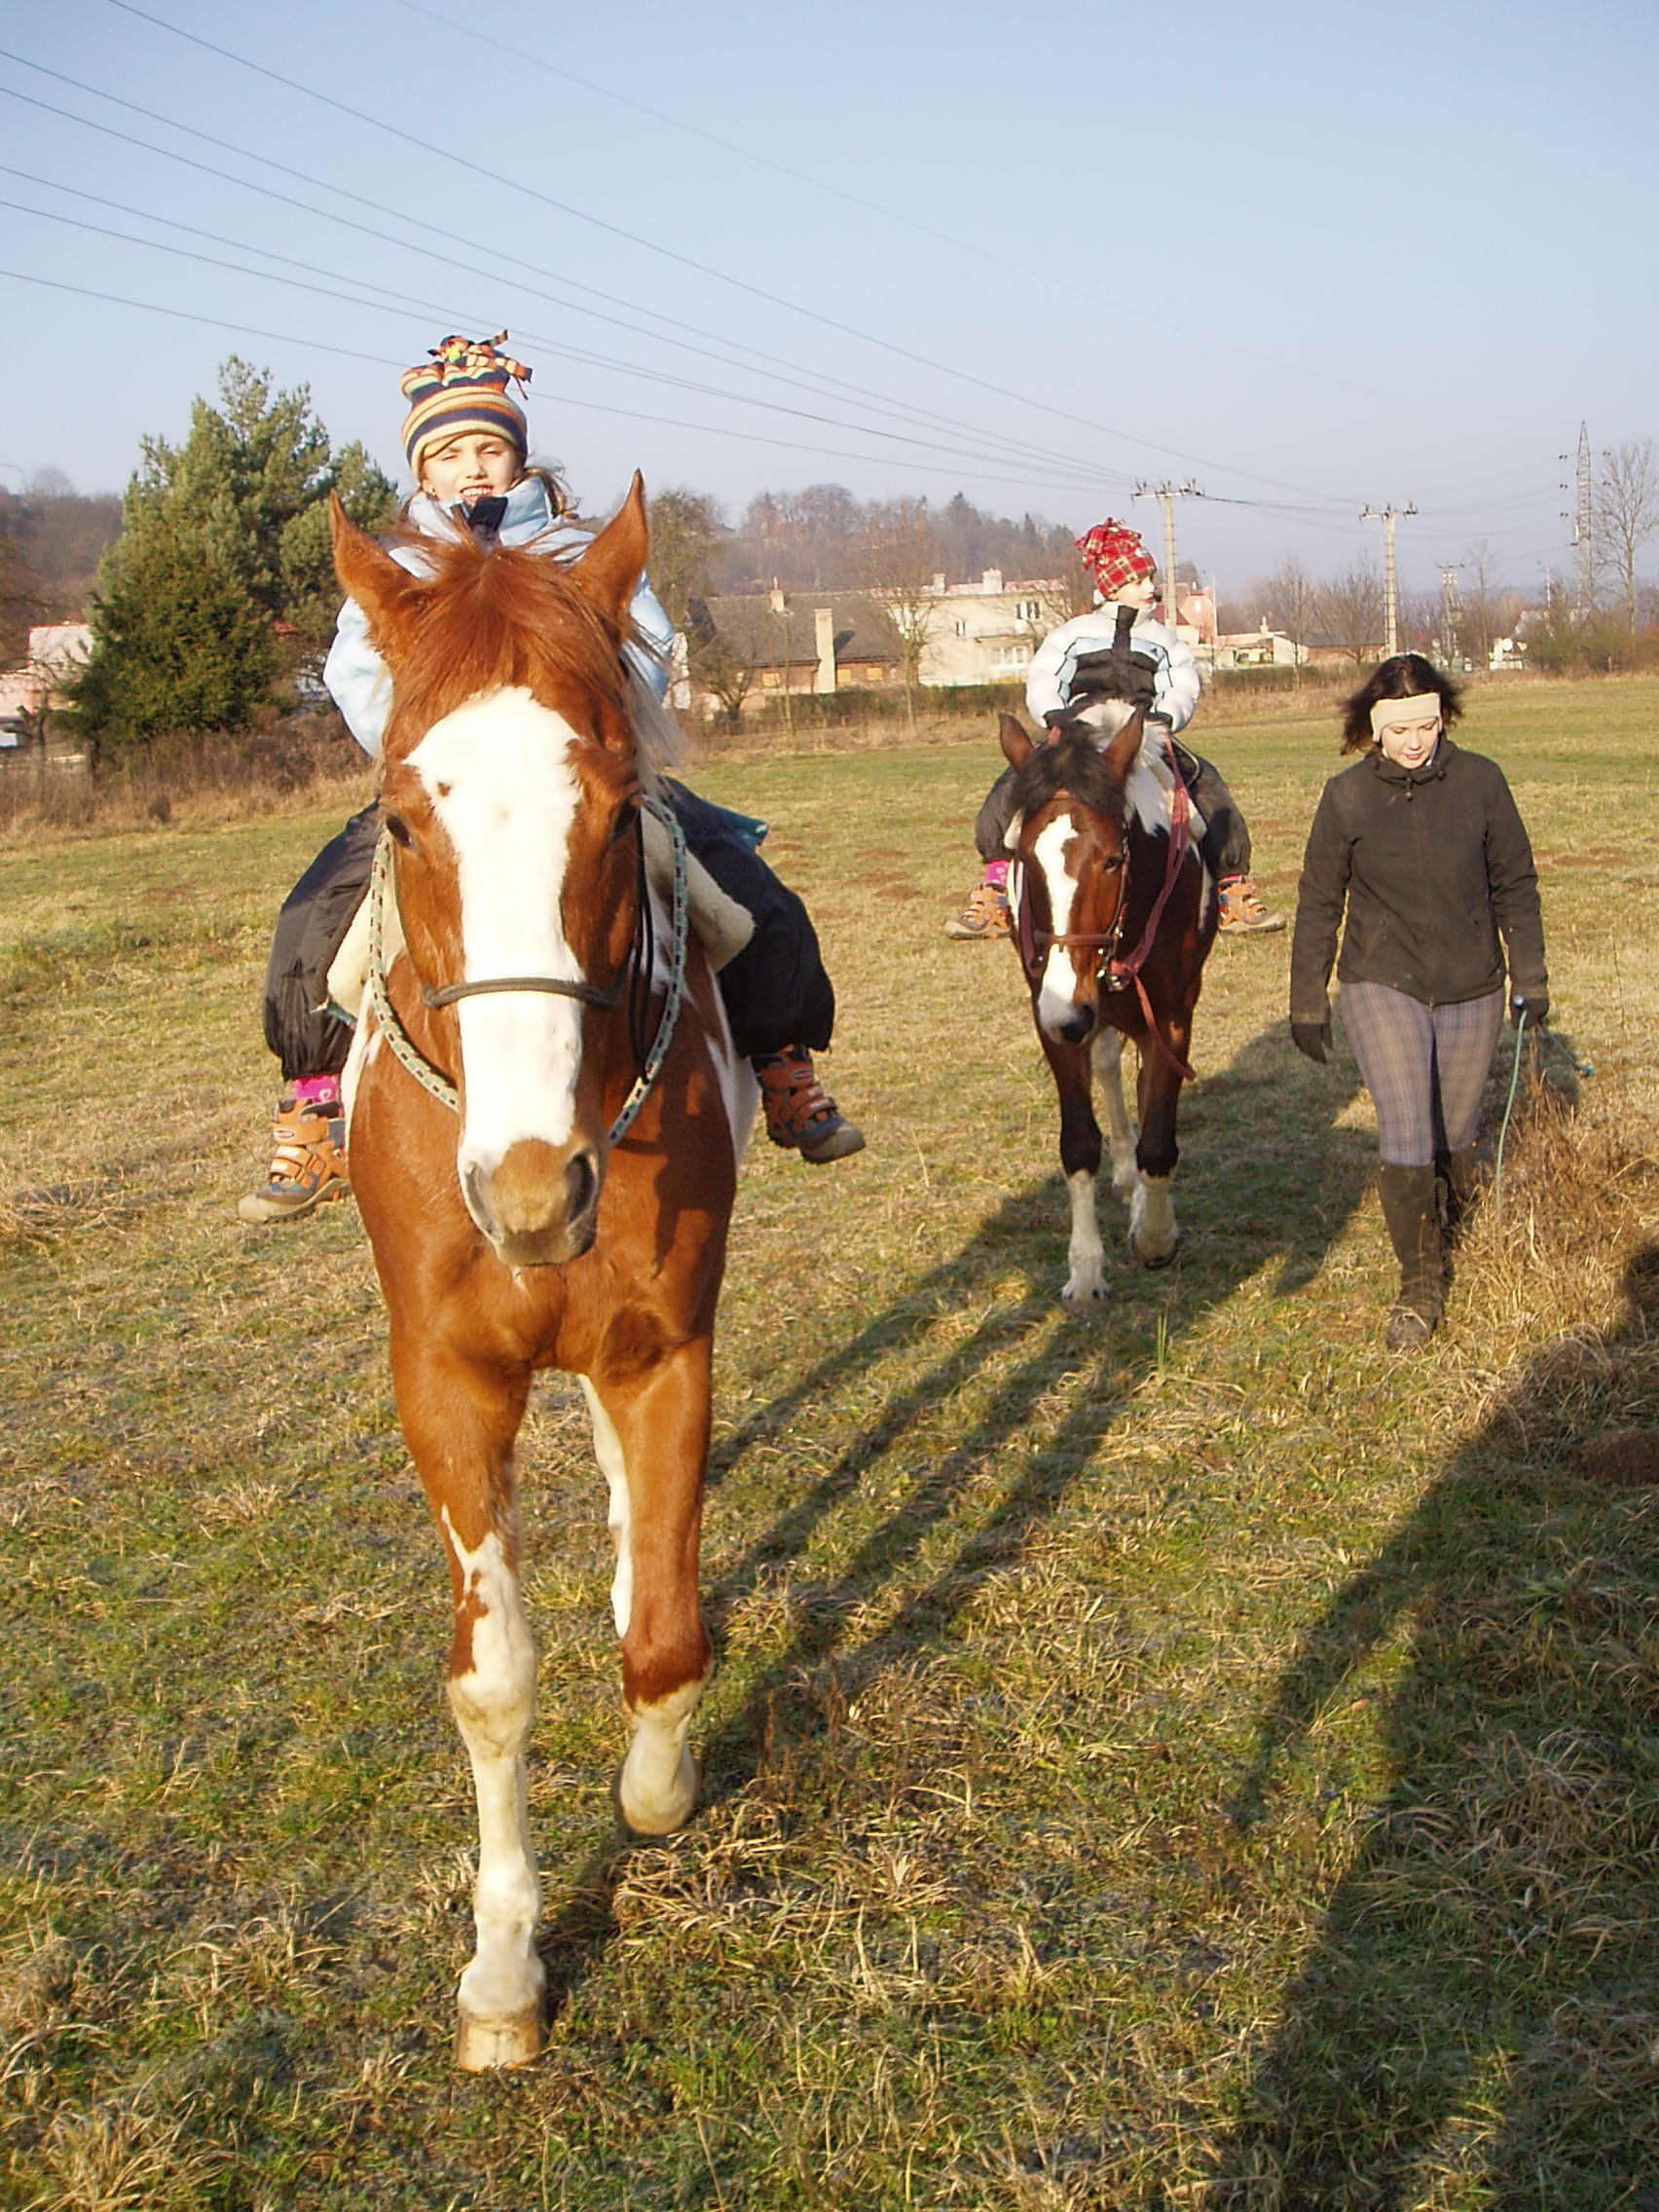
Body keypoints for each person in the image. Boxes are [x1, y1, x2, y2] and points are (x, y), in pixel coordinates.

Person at [240, 333, 862, 1224]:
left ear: (520, 455)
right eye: (450, 456)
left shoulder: (575, 549)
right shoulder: (404, 565)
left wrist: (583, 738)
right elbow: (357, 673)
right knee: (316, 916)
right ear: (424, 471)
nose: (474, 471)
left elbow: (642, 645)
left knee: (746, 892)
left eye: (490, 449)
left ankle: (781, 1060)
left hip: (585, 776)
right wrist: (434, 753)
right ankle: (313, 1107)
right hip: (451, 789)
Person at [1288, 651, 1548, 1347]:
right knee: (1406, 1124)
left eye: (1427, 725)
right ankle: (1420, 1285)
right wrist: (1307, 998)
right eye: (1400, 728)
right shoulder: (1346, 797)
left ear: (1443, 718)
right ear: (1374, 727)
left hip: (1473, 983)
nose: (1414, 740)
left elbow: (1515, 883)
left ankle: (1453, 1234)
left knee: (1455, 1132)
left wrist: (1532, 978)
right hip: (1383, 978)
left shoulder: (1482, 783)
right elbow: (1319, 900)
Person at [944, 517, 1283, 940]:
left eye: (1149, 578)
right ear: (1111, 585)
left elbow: (1182, 684)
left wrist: (1165, 718)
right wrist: (1055, 716)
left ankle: (1233, 891)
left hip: (1143, 734)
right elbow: (1046, 678)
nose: (1149, 588)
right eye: (1140, 579)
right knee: (1012, 787)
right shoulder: (1072, 634)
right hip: (1078, 735)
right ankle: (994, 889)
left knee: (1205, 783)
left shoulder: (1165, 639)